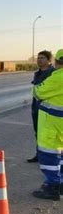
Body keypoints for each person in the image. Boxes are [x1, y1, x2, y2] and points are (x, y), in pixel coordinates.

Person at [32, 49, 63, 200]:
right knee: (60, 155)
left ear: (56, 62)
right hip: (59, 124)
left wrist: (38, 87)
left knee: (48, 155)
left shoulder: (58, 77)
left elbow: (38, 92)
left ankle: (52, 187)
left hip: (53, 124)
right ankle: (60, 184)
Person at [27, 50, 55, 162]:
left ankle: (51, 156)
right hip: (36, 107)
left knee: (49, 133)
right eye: (38, 58)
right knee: (38, 131)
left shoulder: (53, 73)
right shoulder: (37, 73)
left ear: (49, 60)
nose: (39, 60)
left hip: (49, 108)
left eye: (42, 58)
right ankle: (39, 154)